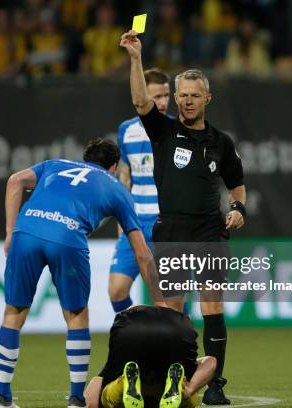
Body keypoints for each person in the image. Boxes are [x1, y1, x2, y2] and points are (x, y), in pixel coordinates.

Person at [121, 30, 247, 405]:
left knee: (212, 305)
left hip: (210, 230)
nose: (189, 101)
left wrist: (238, 209)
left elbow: (237, 186)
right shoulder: (163, 130)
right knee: (169, 312)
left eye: (195, 95)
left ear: (208, 98)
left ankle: (215, 386)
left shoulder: (222, 142)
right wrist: (135, 59)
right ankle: (165, 381)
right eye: (183, 95)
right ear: (175, 99)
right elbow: (140, 99)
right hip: (172, 228)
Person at [0, 138, 156, 408]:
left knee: (14, 311)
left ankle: (2, 398)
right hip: (66, 236)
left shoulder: (55, 164)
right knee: (77, 314)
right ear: (114, 167)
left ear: (85, 159)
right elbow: (141, 251)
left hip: (26, 232)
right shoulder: (117, 188)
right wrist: (160, 296)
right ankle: (76, 398)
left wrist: (10, 232)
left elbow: (14, 181)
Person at [109, 68, 171, 313]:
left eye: (166, 95)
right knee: (116, 291)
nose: (163, 102)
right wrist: (120, 215)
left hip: (164, 222)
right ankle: (135, 336)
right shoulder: (127, 129)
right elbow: (125, 173)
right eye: (157, 96)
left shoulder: (175, 130)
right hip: (134, 223)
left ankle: (183, 348)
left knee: (169, 296)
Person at [84, 305, 216, 408]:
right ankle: (180, 391)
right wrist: (190, 390)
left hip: (133, 327)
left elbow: (92, 397)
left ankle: (123, 384)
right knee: (189, 398)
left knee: (105, 398)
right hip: (176, 327)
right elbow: (211, 361)